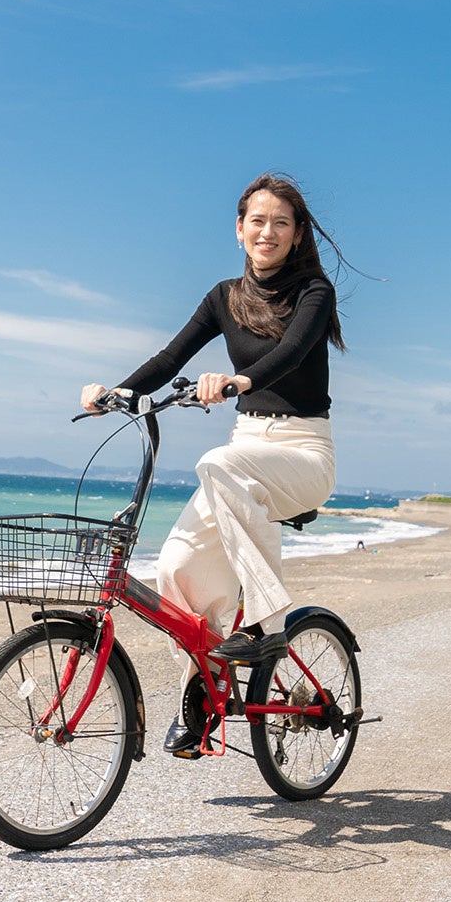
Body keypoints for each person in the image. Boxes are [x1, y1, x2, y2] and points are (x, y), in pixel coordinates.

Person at [82, 173, 346, 756]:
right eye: (258, 221)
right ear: (239, 229)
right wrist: (117, 393)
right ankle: (203, 695)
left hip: (302, 453)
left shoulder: (314, 293)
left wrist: (239, 381)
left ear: (297, 233)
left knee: (217, 463)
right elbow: (170, 356)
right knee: (175, 568)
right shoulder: (223, 296)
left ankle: (267, 626)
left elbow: (291, 352)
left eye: (281, 222)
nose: (268, 231)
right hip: (244, 451)